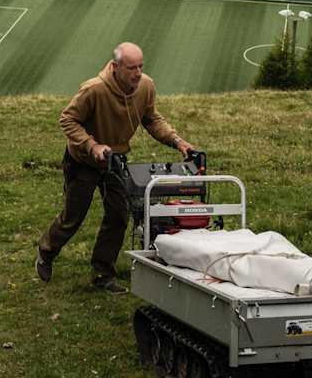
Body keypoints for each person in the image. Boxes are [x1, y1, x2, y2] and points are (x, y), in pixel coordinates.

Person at [35, 41, 197, 293]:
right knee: (73, 217)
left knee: (119, 216)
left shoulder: (146, 86)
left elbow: (152, 119)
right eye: (132, 68)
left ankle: (103, 274)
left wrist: (177, 141)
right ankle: (46, 252)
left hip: (115, 160)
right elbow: (68, 119)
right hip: (83, 161)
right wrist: (92, 145)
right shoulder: (94, 89)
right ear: (115, 66)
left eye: (141, 66)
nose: (138, 73)